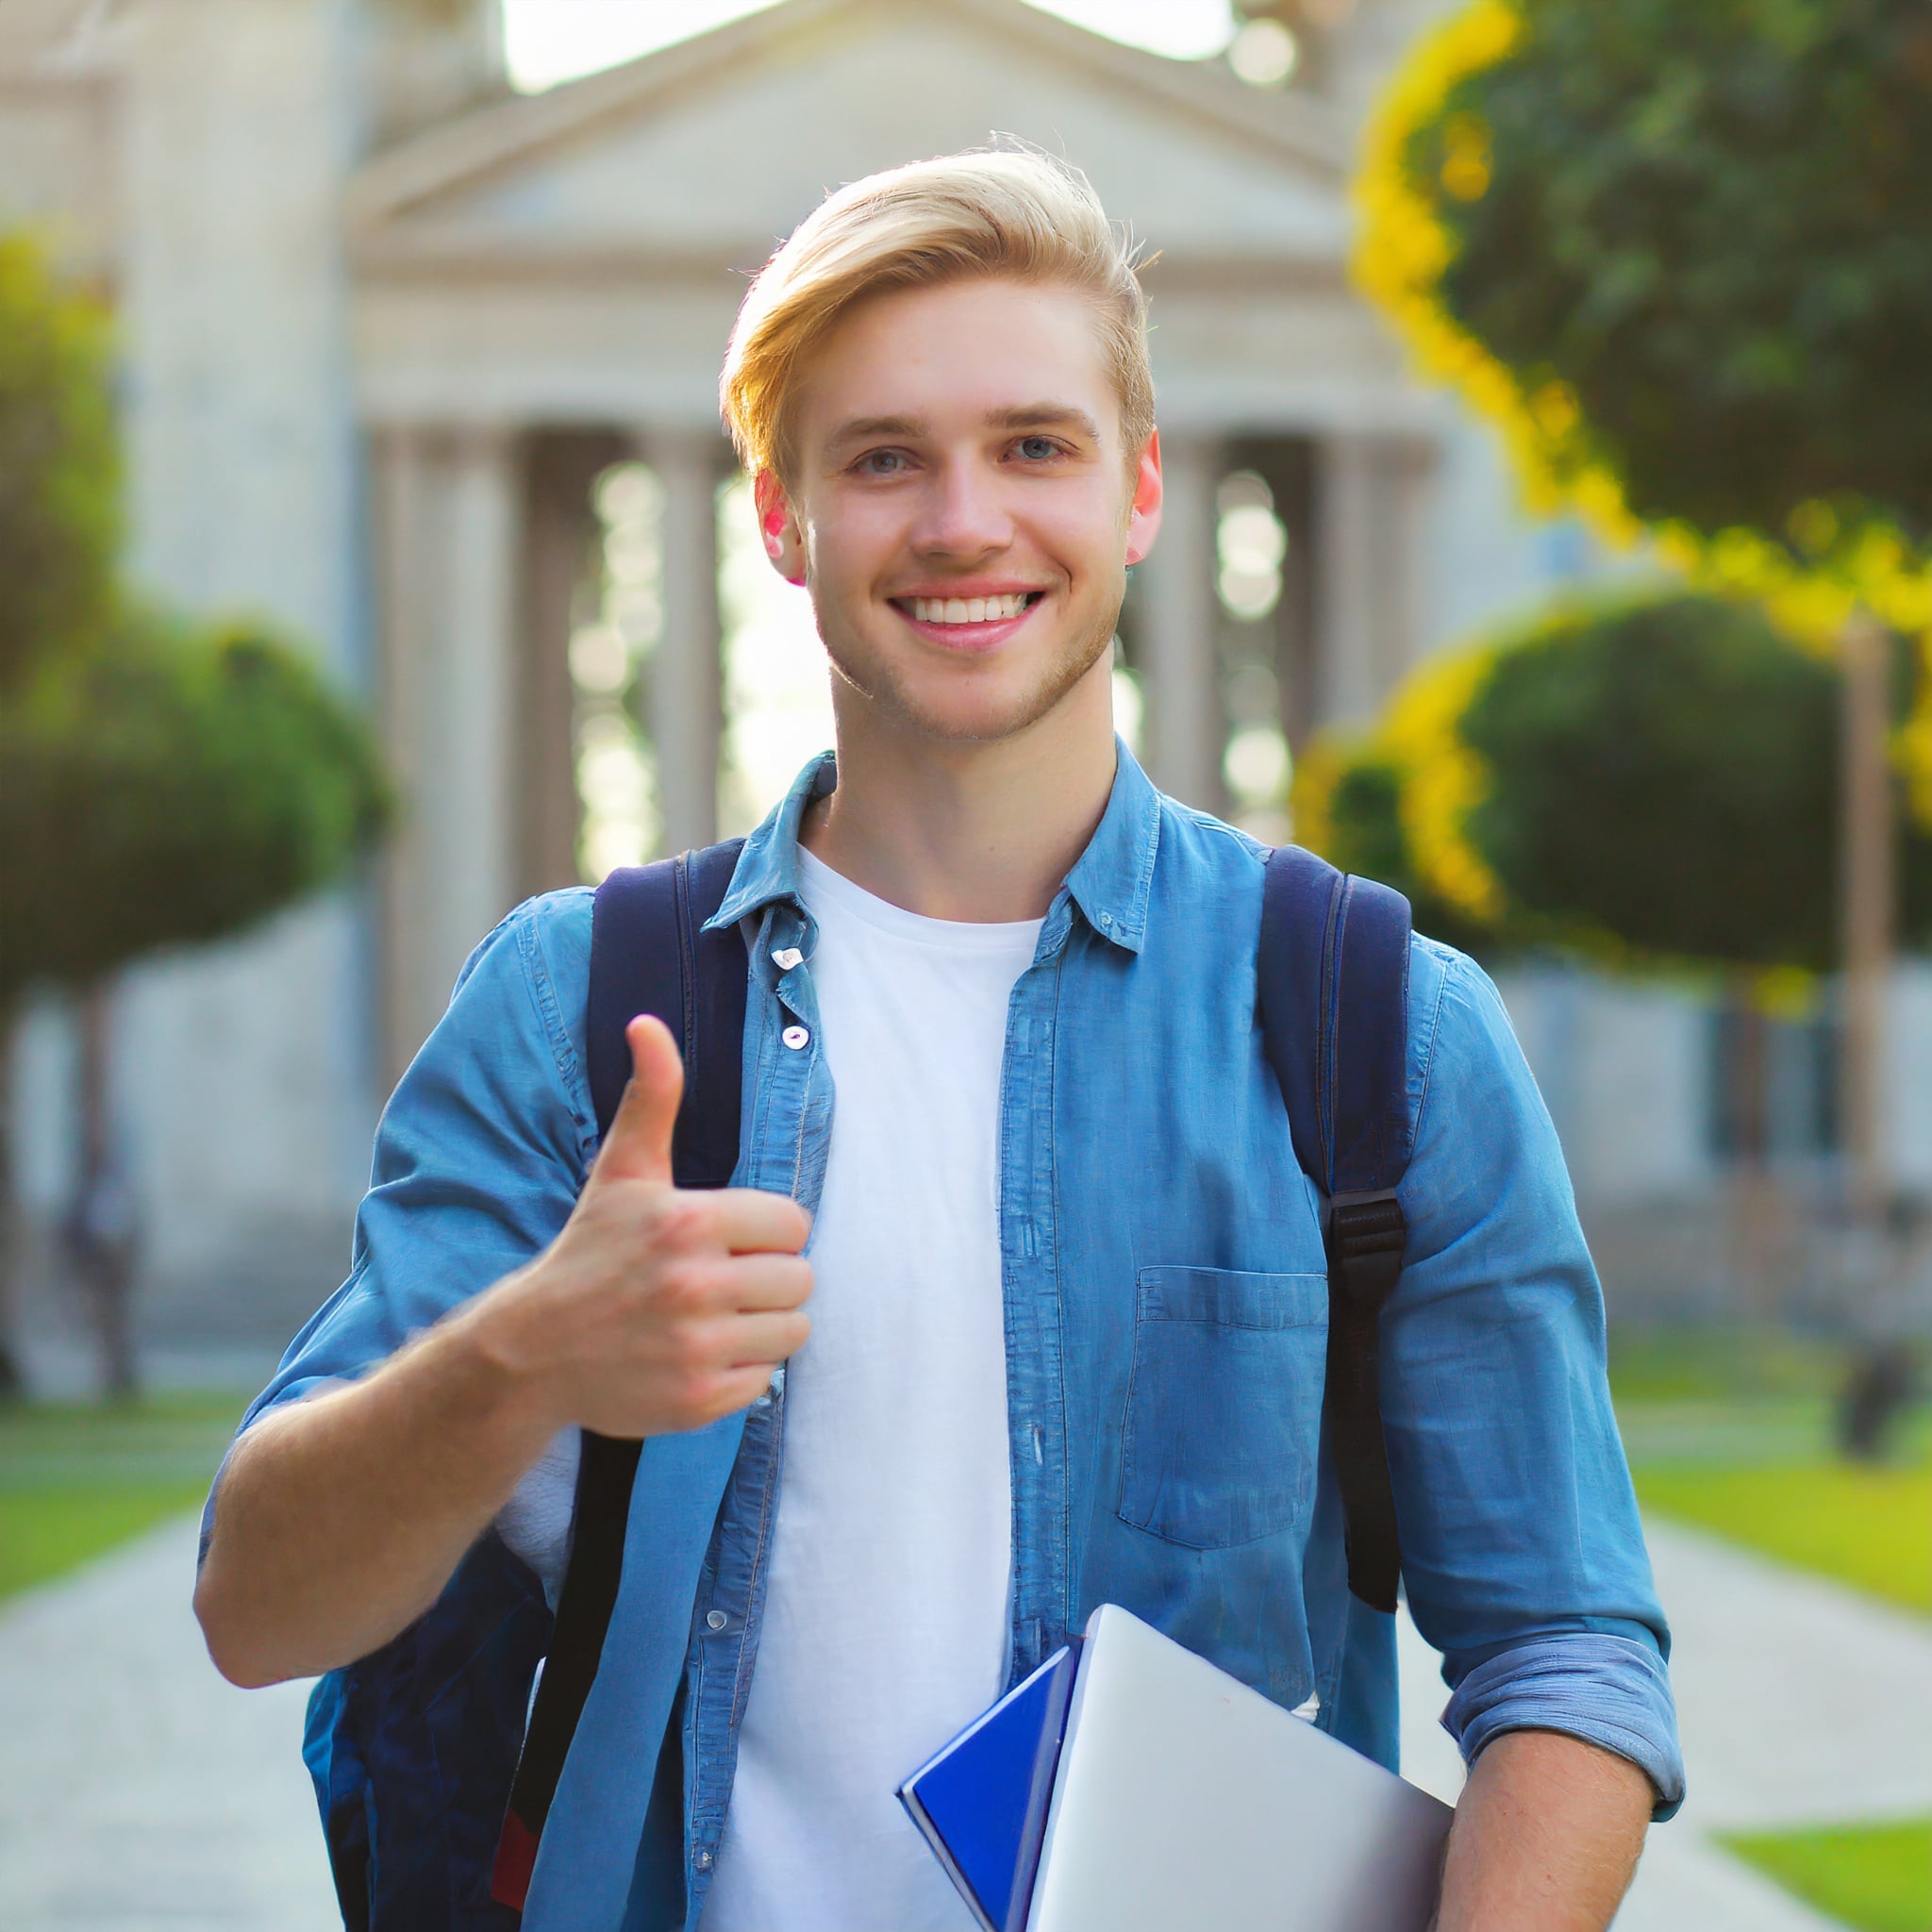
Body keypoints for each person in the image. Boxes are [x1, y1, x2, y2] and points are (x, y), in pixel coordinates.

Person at [194, 148, 1682, 1932]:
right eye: (884, 456)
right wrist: (527, 1355)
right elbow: (254, 1608)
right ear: (781, 518)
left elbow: (1570, 1651)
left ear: (1139, 493)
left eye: (1034, 447)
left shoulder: (1382, 1024)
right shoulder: (575, 1004)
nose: (965, 521)